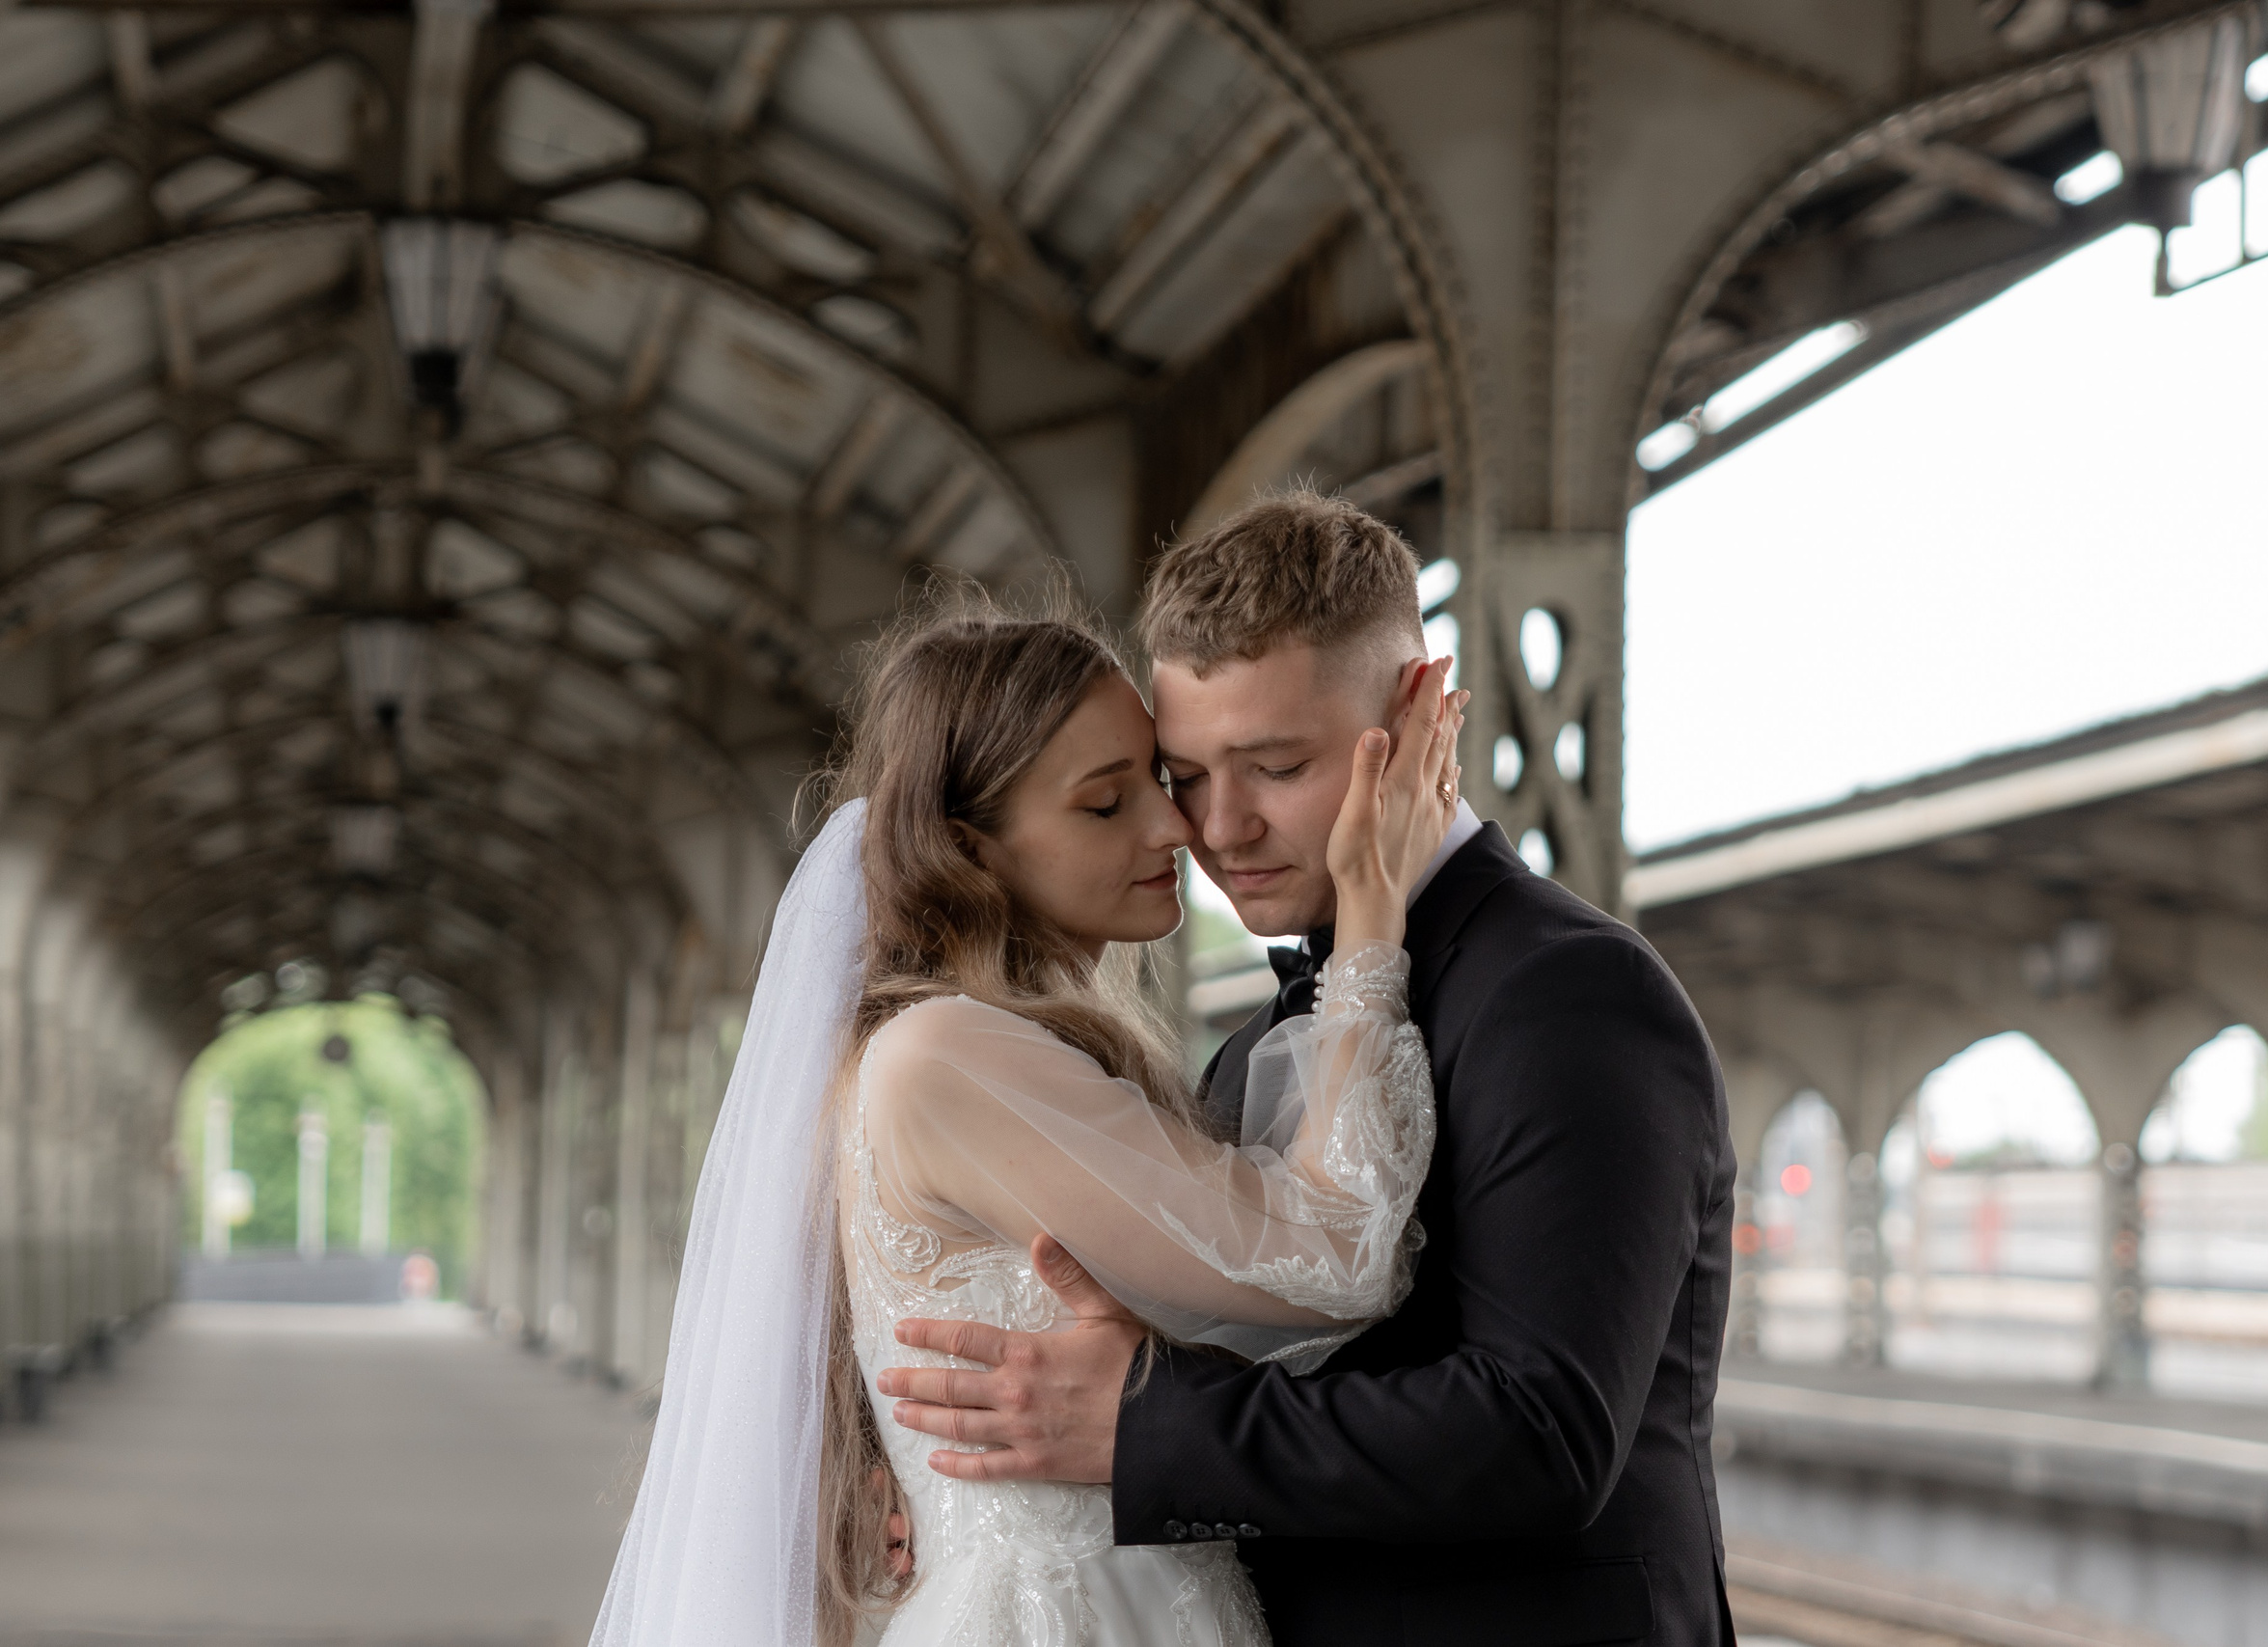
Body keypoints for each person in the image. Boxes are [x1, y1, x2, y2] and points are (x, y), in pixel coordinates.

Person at [879, 492, 1739, 1647]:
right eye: (1184, 773)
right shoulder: (1256, 1049)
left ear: (1421, 709)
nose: (1214, 829)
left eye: (1275, 765)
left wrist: (1136, 1434)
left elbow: (1541, 1432)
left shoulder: (1568, 994)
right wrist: (999, 1480)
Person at [587, 589, 1466, 1647]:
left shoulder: (974, 1050)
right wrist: (1371, 916)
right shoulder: (949, 1055)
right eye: (1105, 805)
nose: (1174, 826)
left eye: (1156, 779)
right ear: (974, 852)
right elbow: (1335, 1256)